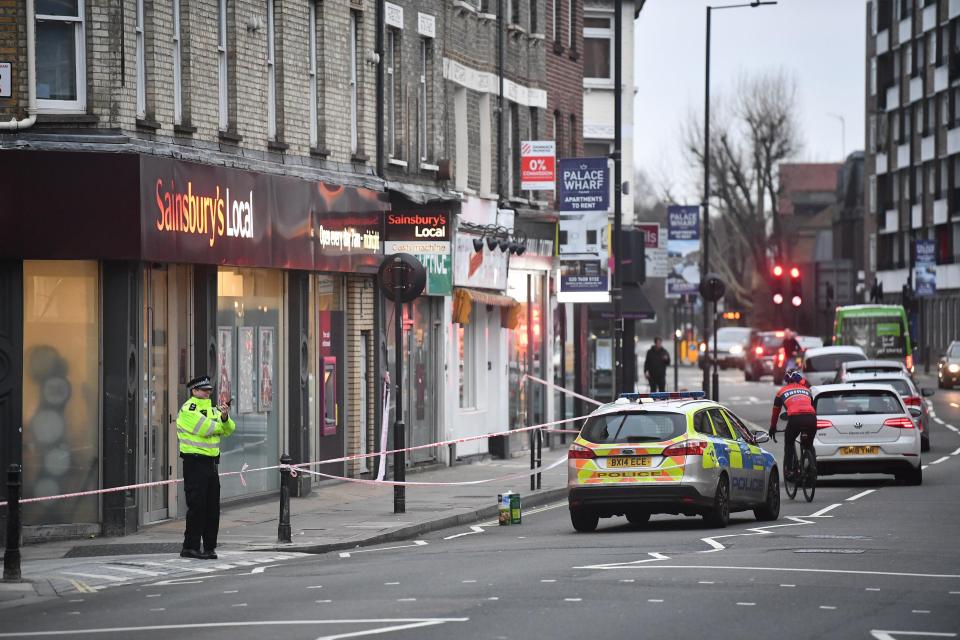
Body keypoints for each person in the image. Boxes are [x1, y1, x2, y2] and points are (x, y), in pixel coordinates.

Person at [177, 375, 236, 560]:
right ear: (194, 391)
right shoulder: (189, 409)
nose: (208, 392)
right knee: (197, 507)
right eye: (204, 390)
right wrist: (220, 422)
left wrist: (224, 416)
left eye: (209, 390)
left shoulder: (211, 409)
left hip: (211, 464)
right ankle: (190, 547)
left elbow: (229, 429)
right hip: (195, 463)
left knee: (212, 508)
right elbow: (207, 429)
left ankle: (210, 547)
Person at [769, 369, 817, 480]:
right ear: (799, 380)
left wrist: (773, 427)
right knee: (808, 445)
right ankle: (813, 468)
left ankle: (789, 471)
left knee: (789, 442)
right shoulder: (807, 390)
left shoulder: (781, 392)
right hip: (811, 418)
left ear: (786, 381)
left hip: (795, 418)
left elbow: (775, 412)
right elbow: (813, 408)